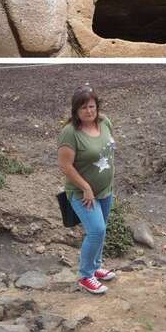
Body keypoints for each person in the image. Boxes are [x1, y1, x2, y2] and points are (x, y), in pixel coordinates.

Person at [57, 85, 118, 294]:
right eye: (83, 108)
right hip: (82, 193)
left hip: (105, 189)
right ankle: (85, 275)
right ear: (75, 111)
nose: (89, 111)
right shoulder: (70, 133)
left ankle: (96, 266)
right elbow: (65, 166)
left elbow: (107, 149)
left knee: (102, 230)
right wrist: (86, 187)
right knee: (96, 230)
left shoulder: (105, 122)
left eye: (92, 106)